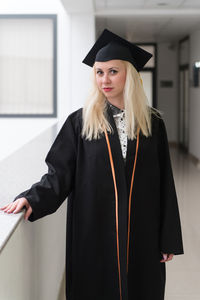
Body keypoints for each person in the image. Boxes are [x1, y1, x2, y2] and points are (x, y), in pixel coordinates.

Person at [0, 28, 184, 300]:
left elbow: (164, 182)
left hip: (142, 231)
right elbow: (60, 173)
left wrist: (167, 237)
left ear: (129, 75)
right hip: (94, 230)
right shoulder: (81, 122)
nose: (104, 80)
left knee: (142, 289)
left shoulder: (152, 123)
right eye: (99, 72)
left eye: (112, 71)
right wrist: (32, 198)